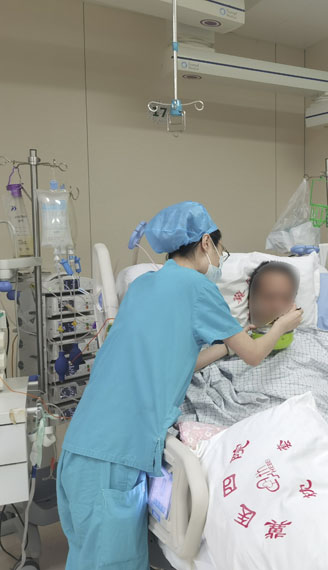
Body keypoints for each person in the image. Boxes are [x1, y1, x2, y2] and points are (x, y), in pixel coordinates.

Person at [56, 201, 302, 569]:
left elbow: (177, 362)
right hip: (114, 456)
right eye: (220, 250)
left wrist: (224, 347)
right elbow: (253, 355)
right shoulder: (198, 288)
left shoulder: (143, 286)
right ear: (206, 242)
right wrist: (282, 325)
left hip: (83, 447)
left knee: (87, 557)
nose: (219, 260)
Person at [195, 260, 328, 433]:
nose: (277, 306)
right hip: (260, 435)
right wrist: (231, 346)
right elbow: (194, 391)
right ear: (250, 300)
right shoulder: (229, 345)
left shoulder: (322, 343)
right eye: (269, 297)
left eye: (285, 299)